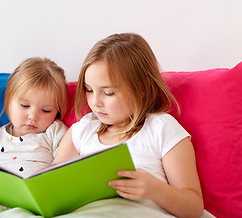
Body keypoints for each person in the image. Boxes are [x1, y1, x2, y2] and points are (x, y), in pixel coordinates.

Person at [53, 33, 204, 218]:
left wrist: (156, 190)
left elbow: (194, 209)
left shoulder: (162, 129)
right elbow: (50, 184)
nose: (95, 102)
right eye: (89, 90)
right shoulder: (82, 130)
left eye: (108, 93)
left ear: (141, 89)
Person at [0, 57, 69, 192]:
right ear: (8, 101)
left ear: (57, 111)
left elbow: (65, 169)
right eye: (24, 105)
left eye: (46, 110)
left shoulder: (55, 131)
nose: (33, 116)